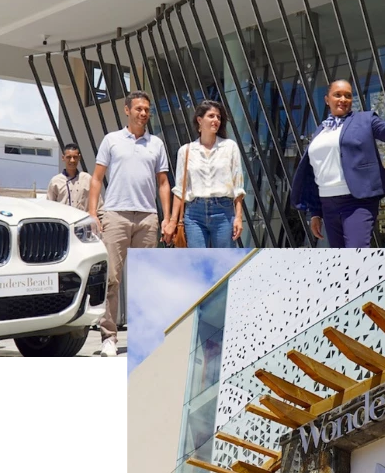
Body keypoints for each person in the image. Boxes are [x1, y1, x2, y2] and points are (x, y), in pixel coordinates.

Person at [290, 79, 385, 247]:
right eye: (337, 95)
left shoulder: (365, 120)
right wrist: (315, 213)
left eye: (348, 95)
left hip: (356, 201)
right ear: (327, 99)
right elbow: (316, 172)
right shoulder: (321, 130)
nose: (343, 99)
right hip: (327, 204)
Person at [88, 90, 171, 357]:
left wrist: (167, 217)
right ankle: (109, 337)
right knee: (112, 278)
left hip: (147, 217)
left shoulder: (156, 144)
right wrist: (93, 213)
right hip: (115, 215)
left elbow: (163, 183)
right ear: (127, 110)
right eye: (138, 109)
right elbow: (97, 178)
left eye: (147, 109)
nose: (143, 113)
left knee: (145, 279)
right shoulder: (111, 140)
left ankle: (143, 336)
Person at [162, 100, 245, 248]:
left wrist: (238, 217)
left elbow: (238, 186)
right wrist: (172, 221)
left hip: (223, 211)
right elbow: (180, 190)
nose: (216, 120)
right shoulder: (186, 151)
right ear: (199, 120)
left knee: (224, 260)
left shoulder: (229, 147)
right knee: (197, 261)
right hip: (194, 213)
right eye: (211, 116)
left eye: (218, 117)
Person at [46, 142, 99, 213]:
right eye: (68, 157)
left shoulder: (87, 178)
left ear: (79, 157)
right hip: (63, 221)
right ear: (63, 158)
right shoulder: (55, 181)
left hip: (83, 221)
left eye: (75, 157)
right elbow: (49, 206)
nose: (72, 160)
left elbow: (98, 204)